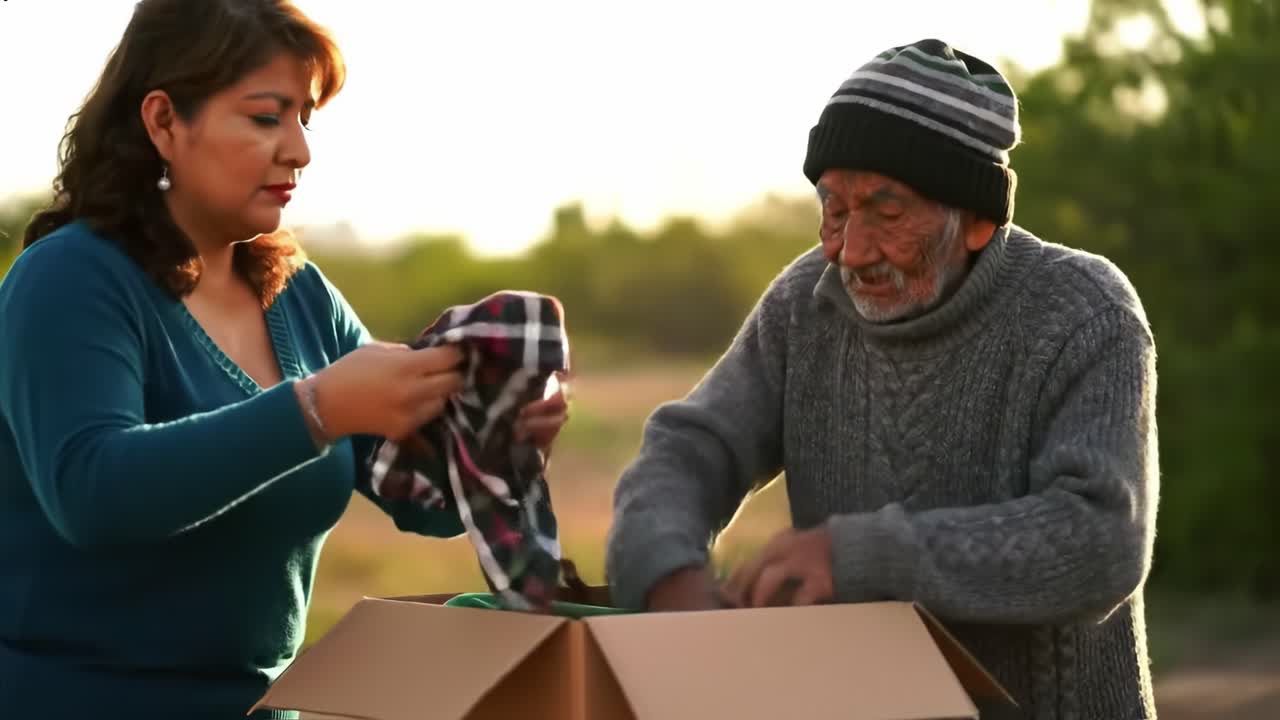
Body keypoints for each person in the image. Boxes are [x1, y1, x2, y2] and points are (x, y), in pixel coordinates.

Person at [0, 1, 567, 718]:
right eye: (267, 118)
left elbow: (410, 494)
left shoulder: (297, 294)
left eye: (305, 118)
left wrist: (494, 445)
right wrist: (317, 409)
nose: (299, 149)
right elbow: (93, 491)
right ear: (164, 123)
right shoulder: (69, 280)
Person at [605, 38, 1159, 719]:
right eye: (834, 209)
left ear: (980, 219)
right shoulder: (805, 303)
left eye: (887, 212)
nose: (850, 250)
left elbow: (1099, 540)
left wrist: (859, 556)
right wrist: (671, 574)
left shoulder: (1082, 311)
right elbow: (691, 448)